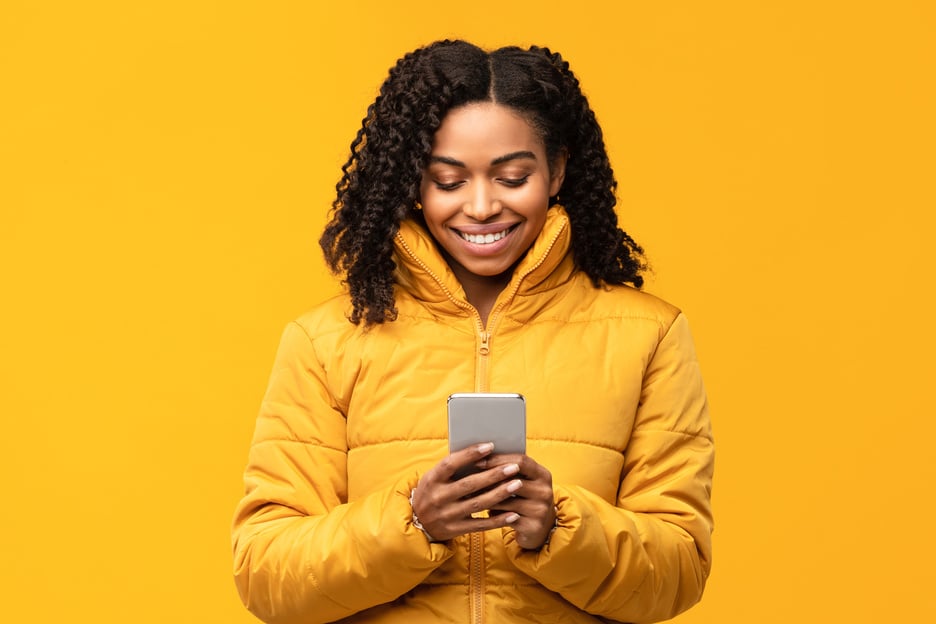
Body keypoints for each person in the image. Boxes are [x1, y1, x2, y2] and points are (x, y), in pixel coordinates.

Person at [232, 39, 714, 624]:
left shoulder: (650, 335)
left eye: (512, 177)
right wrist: (411, 521)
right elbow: (266, 575)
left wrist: (558, 528)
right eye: (449, 181)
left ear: (557, 169)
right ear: (413, 182)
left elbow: (679, 570)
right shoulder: (325, 340)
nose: (482, 206)